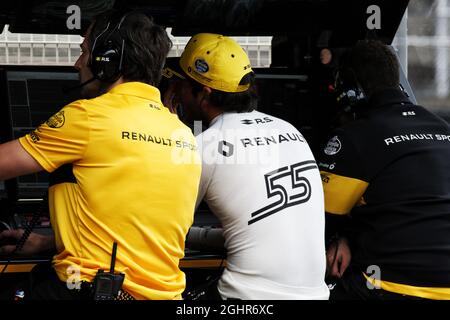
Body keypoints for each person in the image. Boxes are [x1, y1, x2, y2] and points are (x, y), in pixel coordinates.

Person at [0, 11, 201, 300]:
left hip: (87, 291)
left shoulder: (88, 117)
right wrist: (49, 243)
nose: (77, 64)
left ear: (107, 59)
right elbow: (124, 226)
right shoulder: (183, 135)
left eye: (84, 53)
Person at [164, 33, 329, 300]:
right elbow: (259, 233)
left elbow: (163, 231)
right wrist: (203, 236)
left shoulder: (205, 146)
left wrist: (166, 123)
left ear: (204, 93)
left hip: (248, 299)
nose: (177, 90)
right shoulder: (290, 130)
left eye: (181, 84)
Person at [320, 40, 450, 300]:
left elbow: (315, 222)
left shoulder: (354, 138)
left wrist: (340, 237)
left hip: (392, 287)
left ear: (349, 90)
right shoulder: (442, 127)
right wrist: (347, 235)